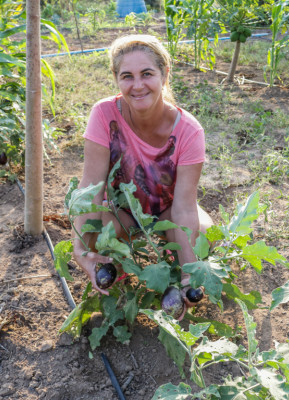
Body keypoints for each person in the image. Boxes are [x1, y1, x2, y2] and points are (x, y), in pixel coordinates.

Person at [72, 34, 213, 318]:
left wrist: (188, 273)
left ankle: (172, 259)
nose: (137, 85)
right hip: (122, 211)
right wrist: (81, 250)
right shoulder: (104, 115)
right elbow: (91, 188)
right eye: (127, 76)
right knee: (94, 236)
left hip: (168, 211)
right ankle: (119, 265)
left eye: (147, 74)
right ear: (116, 78)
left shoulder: (189, 132)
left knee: (206, 237)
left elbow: (184, 207)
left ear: (164, 74)